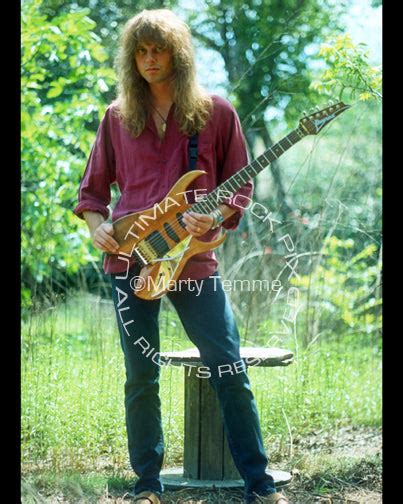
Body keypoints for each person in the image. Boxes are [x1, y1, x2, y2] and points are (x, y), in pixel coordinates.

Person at [73, 9, 288, 504]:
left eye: (159, 49)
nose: (149, 60)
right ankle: (147, 484)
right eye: (141, 51)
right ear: (131, 58)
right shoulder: (116, 116)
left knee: (228, 366)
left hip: (193, 263)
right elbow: (92, 193)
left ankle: (260, 484)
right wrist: (98, 228)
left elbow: (241, 184)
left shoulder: (216, 113)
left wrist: (213, 218)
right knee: (141, 375)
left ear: (179, 54)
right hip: (131, 260)